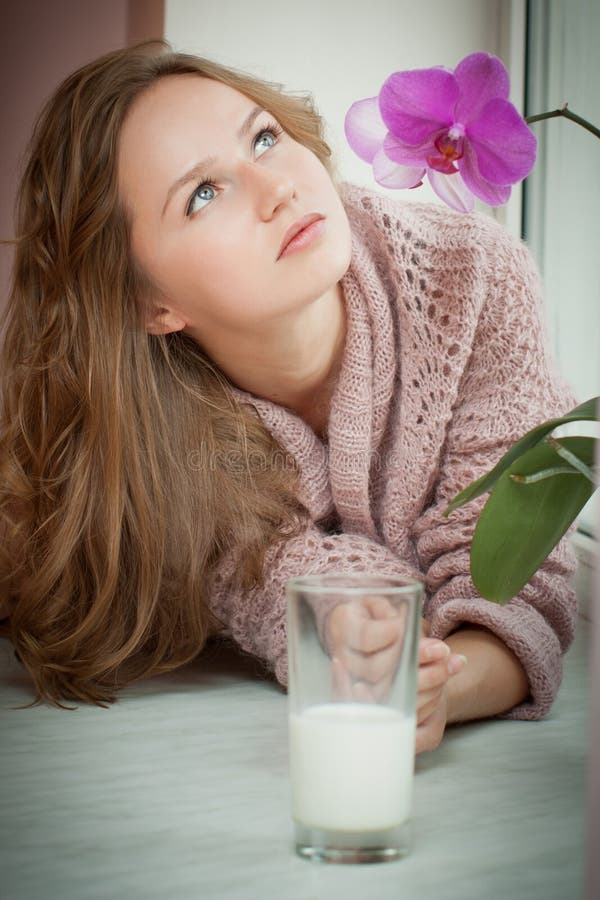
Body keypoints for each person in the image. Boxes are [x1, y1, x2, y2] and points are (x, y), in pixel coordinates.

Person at [0, 42, 577, 754]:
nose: (276, 188)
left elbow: (516, 566)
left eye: (264, 138)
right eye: (203, 194)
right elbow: (286, 582)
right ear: (148, 304)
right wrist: (360, 640)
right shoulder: (158, 438)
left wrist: (441, 690)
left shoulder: (479, 278)